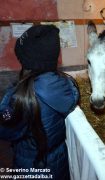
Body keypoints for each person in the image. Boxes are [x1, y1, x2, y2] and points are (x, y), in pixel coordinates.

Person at [0, 25, 80, 179]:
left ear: (29, 61)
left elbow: (6, 131)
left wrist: (9, 97)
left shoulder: (22, 97)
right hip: (59, 163)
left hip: (32, 166)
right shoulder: (68, 84)